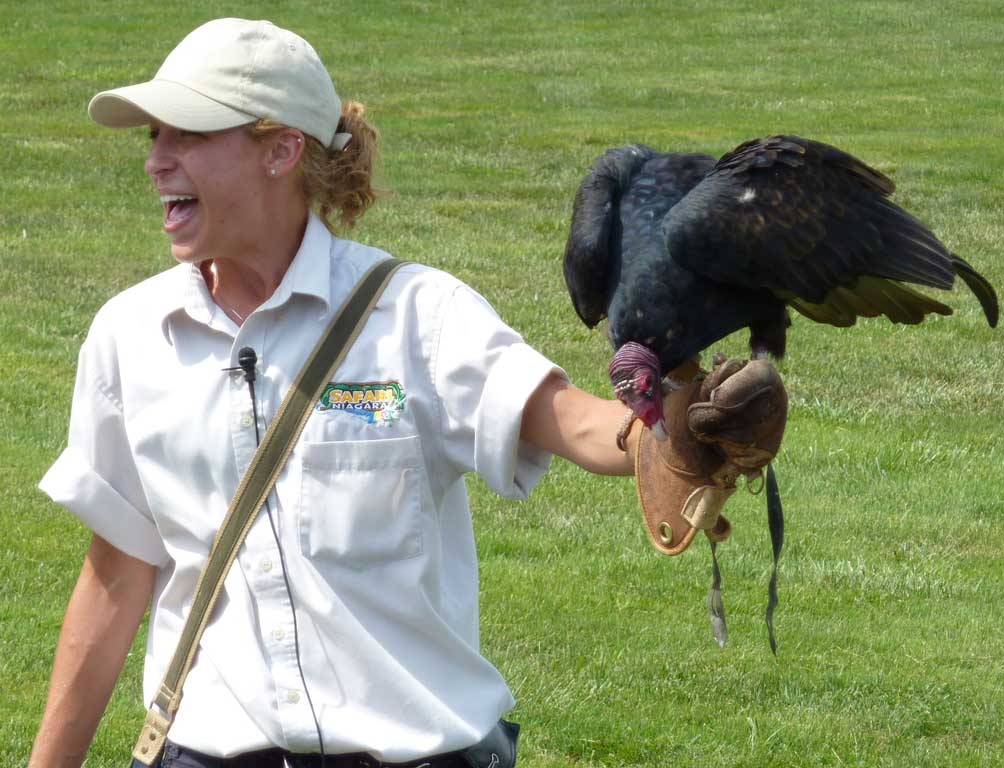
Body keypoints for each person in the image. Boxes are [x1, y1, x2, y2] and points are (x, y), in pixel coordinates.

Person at [29, 18, 783, 768]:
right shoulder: (130, 335)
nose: (157, 161)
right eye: (152, 137)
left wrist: (678, 426)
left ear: (281, 149)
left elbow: (584, 428)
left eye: (184, 134)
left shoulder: (420, 316)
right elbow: (115, 578)